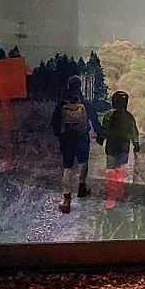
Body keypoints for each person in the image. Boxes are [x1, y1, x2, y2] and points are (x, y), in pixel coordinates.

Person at [51, 75, 102, 213]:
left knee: (67, 168)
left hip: (67, 138)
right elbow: (95, 121)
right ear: (79, 86)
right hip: (82, 137)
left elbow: (54, 122)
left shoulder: (62, 104)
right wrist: (100, 134)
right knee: (83, 163)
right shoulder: (85, 103)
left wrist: (59, 135)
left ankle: (66, 199)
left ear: (68, 86)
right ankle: (81, 187)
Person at [98, 90, 141, 209]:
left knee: (111, 170)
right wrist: (136, 144)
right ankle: (118, 192)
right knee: (120, 170)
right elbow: (133, 131)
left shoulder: (109, 115)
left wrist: (100, 139)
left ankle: (111, 197)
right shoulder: (129, 116)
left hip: (111, 147)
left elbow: (104, 129)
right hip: (124, 148)